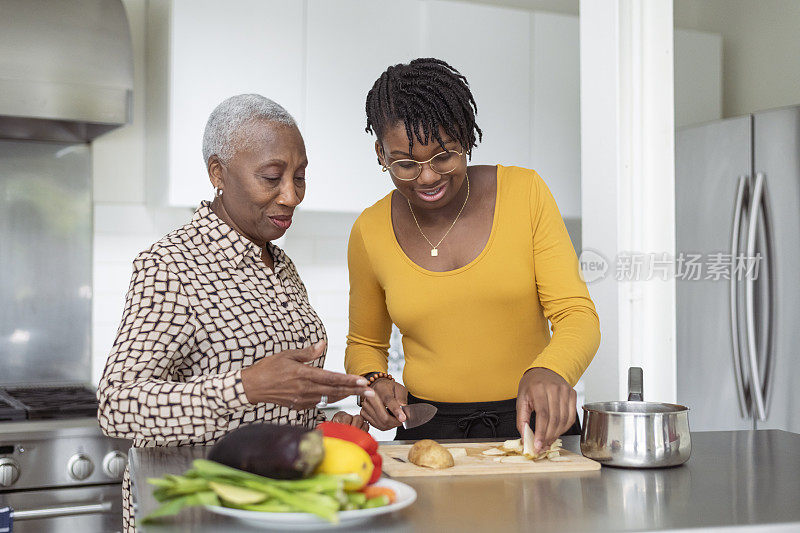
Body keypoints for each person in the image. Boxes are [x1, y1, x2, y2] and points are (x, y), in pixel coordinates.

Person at [97, 94, 373, 532]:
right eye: (272, 177)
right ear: (217, 173)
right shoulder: (172, 265)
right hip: (195, 512)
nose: (292, 195)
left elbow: (267, 406)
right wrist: (246, 387)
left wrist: (319, 421)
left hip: (272, 508)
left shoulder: (279, 266)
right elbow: (117, 404)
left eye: (300, 176)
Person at [346, 58, 601, 450]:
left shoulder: (525, 192)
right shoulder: (369, 230)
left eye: (444, 155)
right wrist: (375, 382)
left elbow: (577, 314)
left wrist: (551, 370)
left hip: (535, 423)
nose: (428, 177)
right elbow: (365, 342)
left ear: (466, 138)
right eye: (406, 164)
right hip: (426, 433)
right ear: (381, 154)